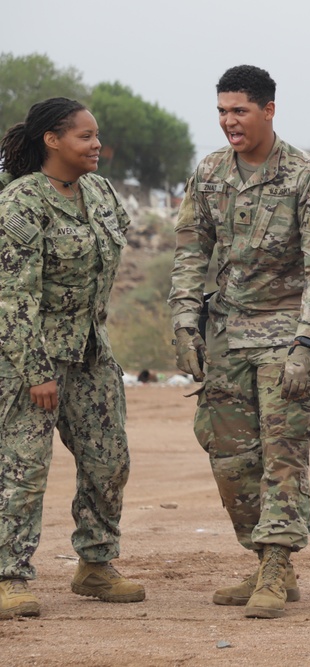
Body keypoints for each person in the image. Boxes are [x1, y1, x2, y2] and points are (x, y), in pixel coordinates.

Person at [168, 65, 310, 619]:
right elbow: (192, 251)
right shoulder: (211, 171)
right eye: (221, 111)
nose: (228, 122)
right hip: (226, 336)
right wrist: (183, 321)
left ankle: (274, 565)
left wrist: (306, 344)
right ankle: (267, 560)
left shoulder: (308, 176)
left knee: (282, 455)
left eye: (239, 111)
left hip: (284, 335)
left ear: (269, 110)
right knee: (228, 456)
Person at [0, 97, 144, 619]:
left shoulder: (101, 192)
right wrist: (36, 372)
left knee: (109, 461)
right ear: (52, 140)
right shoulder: (21, 201)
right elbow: (13, 296)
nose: (96, 145)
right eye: (84, 137)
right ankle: (9, 576)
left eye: (97, 135)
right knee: (24, 469)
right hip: (30, 357)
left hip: (90, 351)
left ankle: (96, 565)